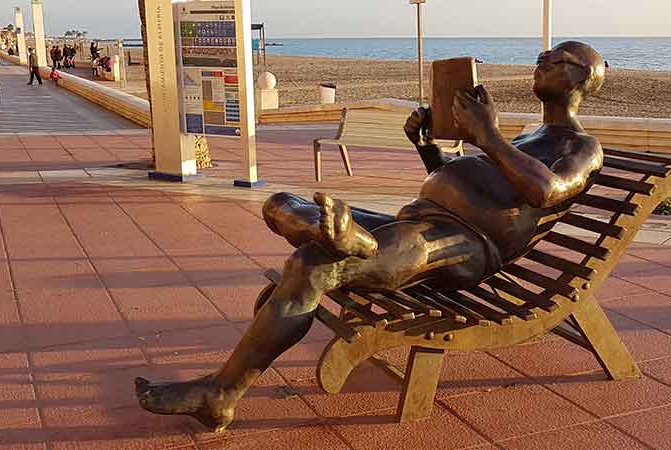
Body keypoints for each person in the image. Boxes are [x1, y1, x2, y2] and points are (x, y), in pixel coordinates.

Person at [133, 41, 608, 432]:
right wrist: (427, 147)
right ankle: (354, 243)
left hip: (458, 247)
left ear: (583, 79)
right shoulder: (524, 138)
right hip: (418, 219)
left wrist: (486, 136)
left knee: (310, 265)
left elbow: (545, 191)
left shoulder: (580, 147)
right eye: (544, 56)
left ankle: (221, 392)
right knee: (280, 203)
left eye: (557, 60)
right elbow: (468, 179)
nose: (543, 61)